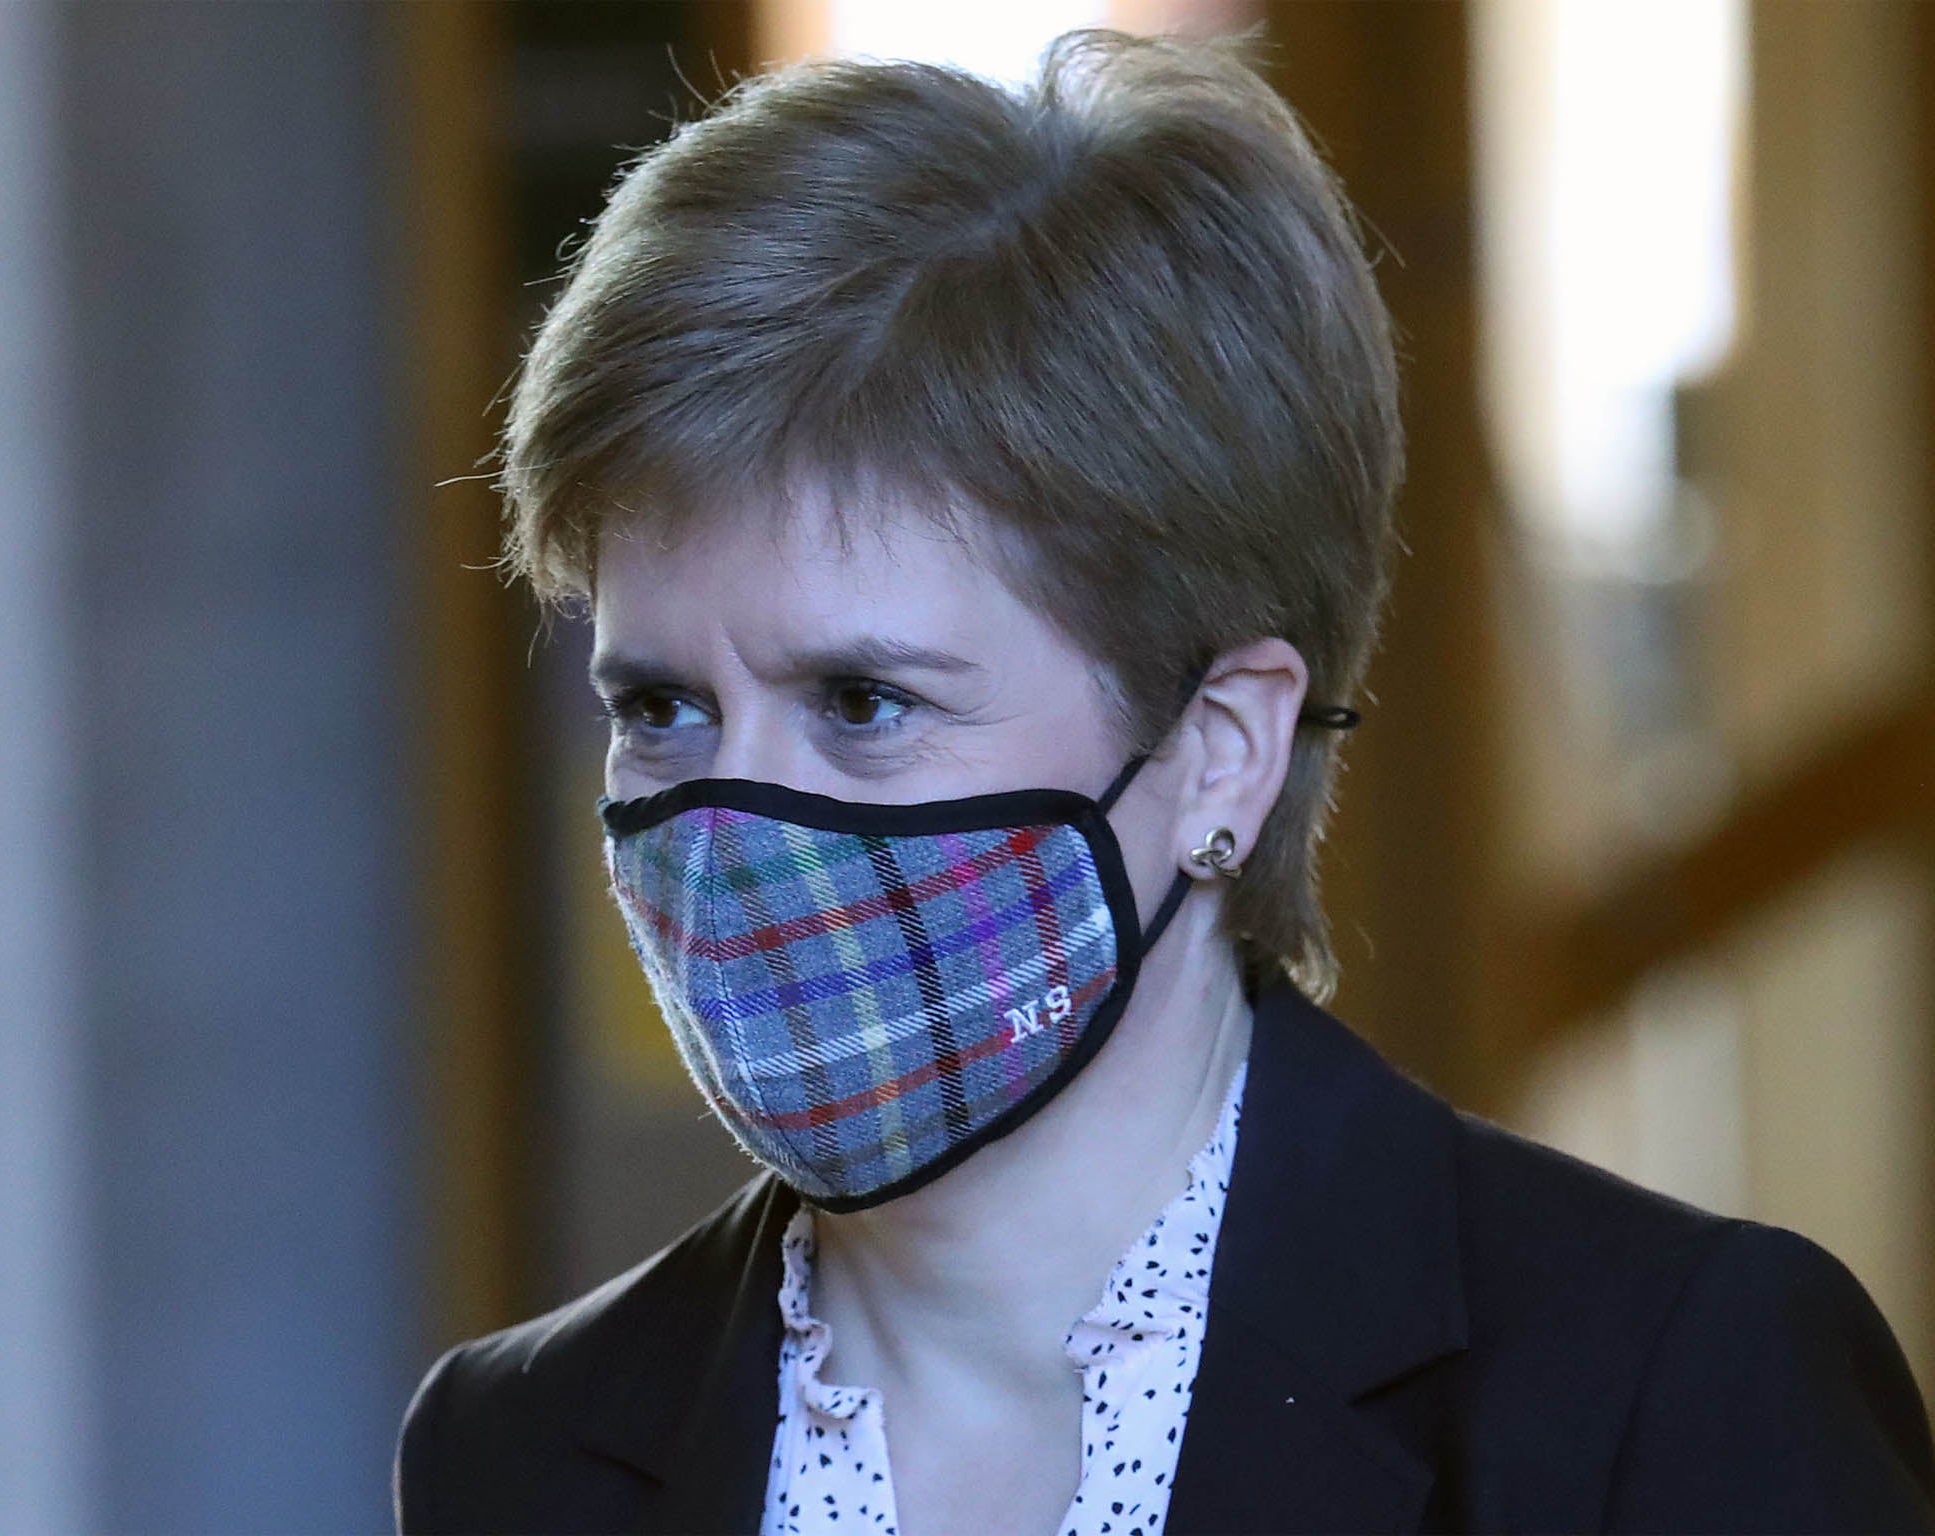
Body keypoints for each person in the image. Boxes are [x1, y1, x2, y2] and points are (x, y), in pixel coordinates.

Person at [394, 28, 1935, 1535]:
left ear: (1225, 745)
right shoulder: (521, 1449)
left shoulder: (1658, 1392)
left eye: (862, 701)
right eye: (661, 705)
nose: (734, 827)